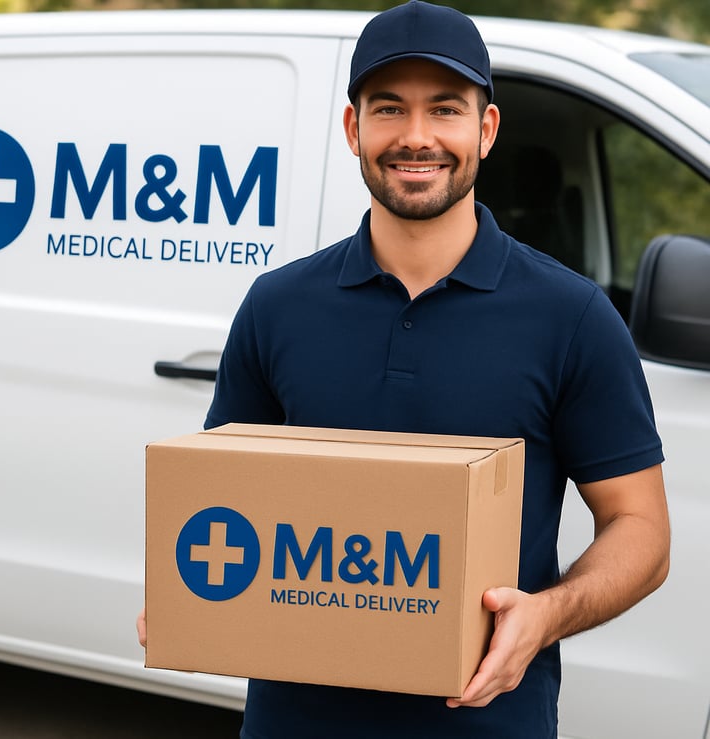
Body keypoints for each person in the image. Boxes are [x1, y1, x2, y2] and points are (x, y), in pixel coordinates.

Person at [138, 1, 670, 736]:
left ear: (484, 130)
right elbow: (223, 503)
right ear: (354, 128)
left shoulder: (570, 317)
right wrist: (187, 594)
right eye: (389, 108)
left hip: (487, 720)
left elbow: (640, 528)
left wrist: (544, 614)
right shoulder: (277, 306)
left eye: (445, 109)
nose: (417, 137)